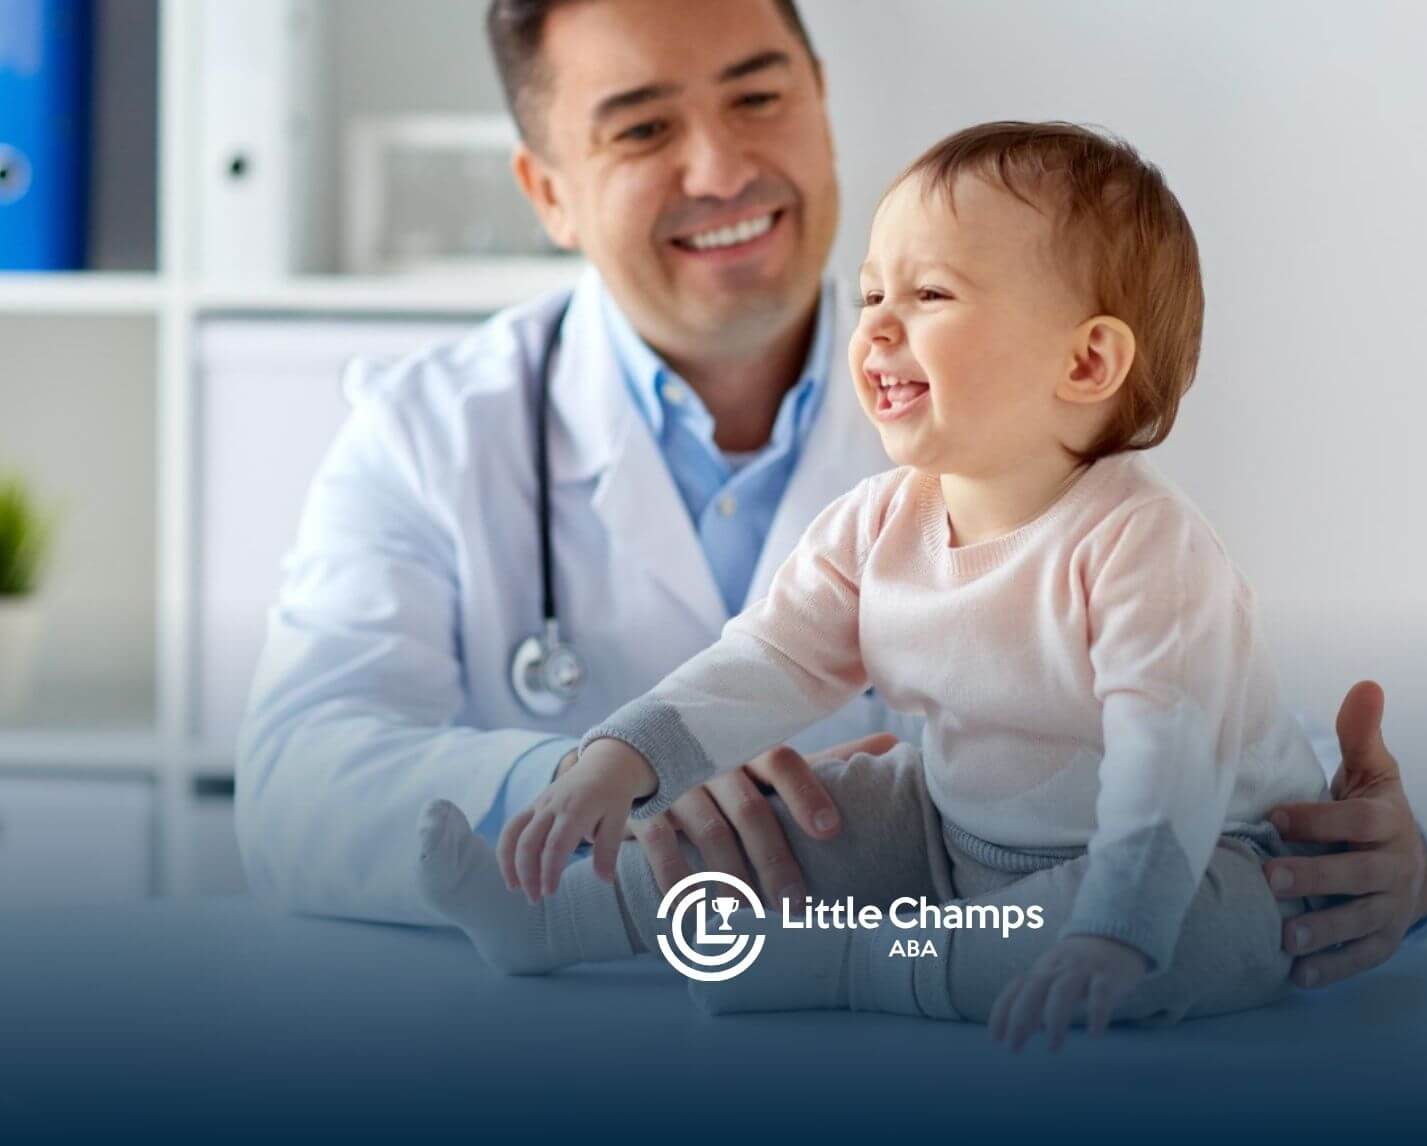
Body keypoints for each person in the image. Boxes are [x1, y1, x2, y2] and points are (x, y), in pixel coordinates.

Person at [237, 0, 1427, 993]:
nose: (721, 167)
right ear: (547, 191)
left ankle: (862, 967)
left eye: (757, 97)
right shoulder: (426, 431)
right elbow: (298, 785)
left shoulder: (1048, 425)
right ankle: (558, 916)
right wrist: (603, 782)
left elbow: (1192, 720)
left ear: (820, 105)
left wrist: (1398, 870)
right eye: (642, 129)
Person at [418, 120, 1339, 1053]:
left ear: (1086, 362)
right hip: (954, 828)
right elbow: (765, 662)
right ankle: (547, 918)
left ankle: (853, 963)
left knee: (1187, 934)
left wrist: (1113, 929)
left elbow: (1167, 763)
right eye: (870, 294)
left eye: (929, 293)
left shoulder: (1146, 545)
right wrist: (622, 758)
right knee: (789, 823)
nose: (876, 328)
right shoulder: (880, 521)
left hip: (1195, 855)